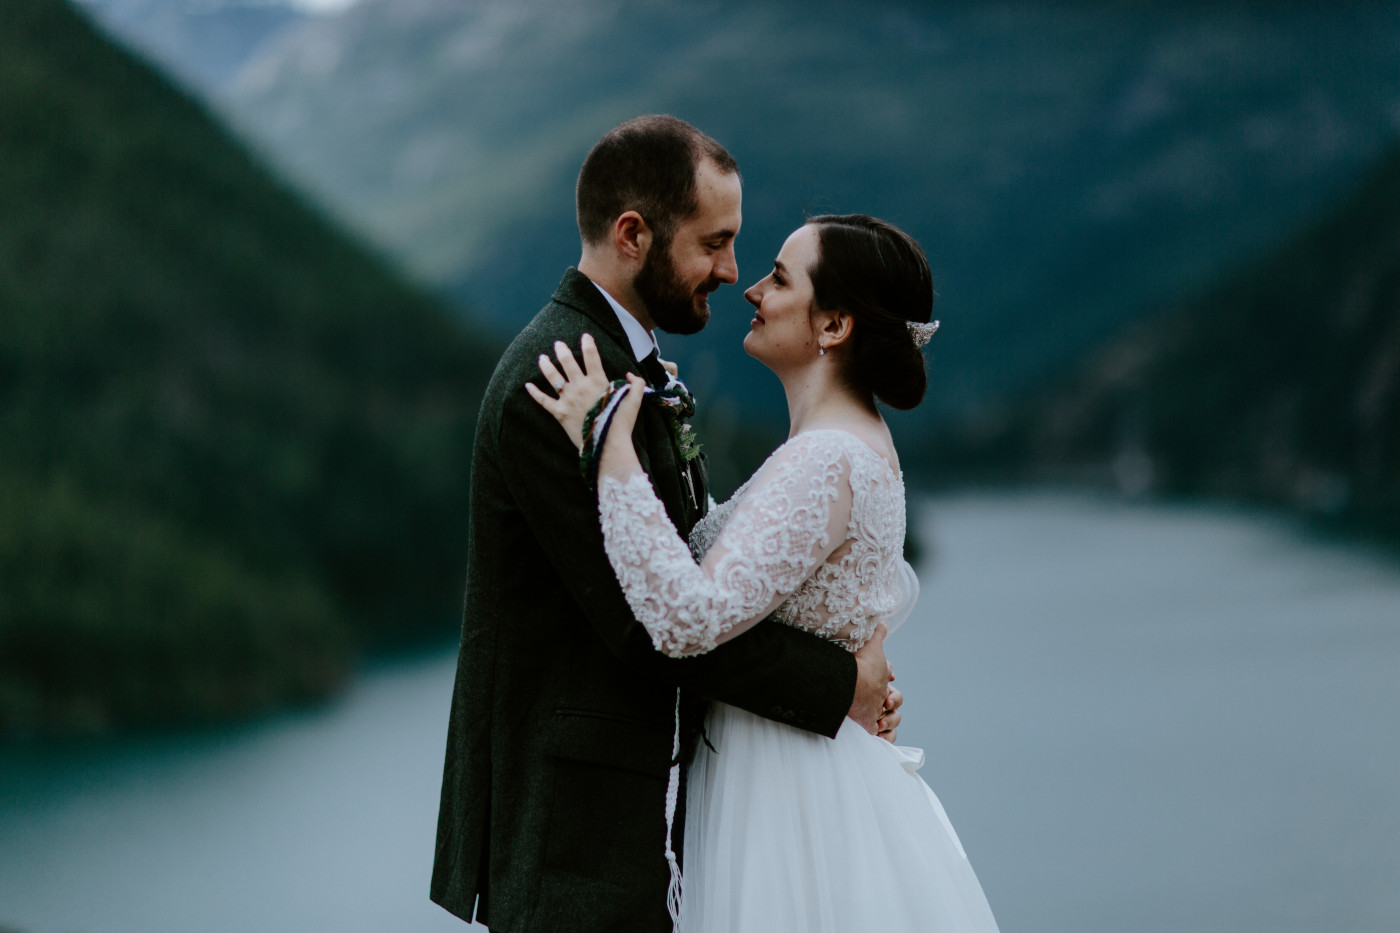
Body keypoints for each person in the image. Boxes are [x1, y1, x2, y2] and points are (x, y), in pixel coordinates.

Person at [429, 116, 900, 933]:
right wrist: (839, 683)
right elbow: (648, 624)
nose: (732, 270)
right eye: (714, 243)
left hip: (636, 829)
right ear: (634, 234)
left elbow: (685, 558)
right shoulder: (563, 377)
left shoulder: (625, 365)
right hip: (574, 837)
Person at [530, 214, 1002, 931]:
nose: (751, 288)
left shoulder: (823, 459)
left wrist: (608, 443)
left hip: (785, 792)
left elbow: (688, 618)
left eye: (779, 277)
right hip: (804, 762)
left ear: (834, 324)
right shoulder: (851, 443)